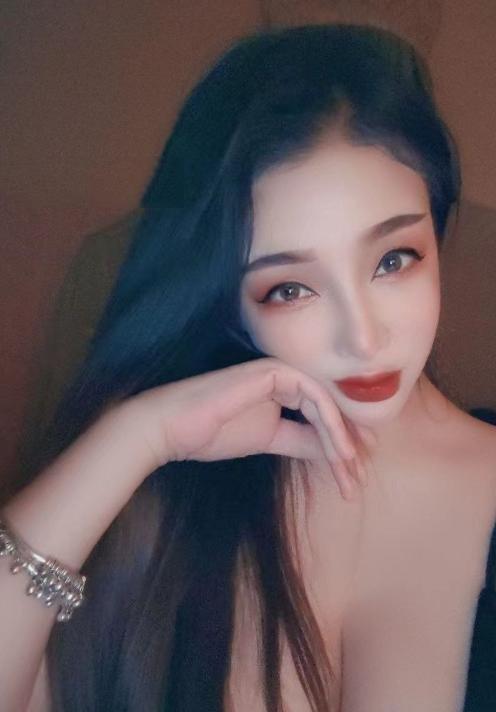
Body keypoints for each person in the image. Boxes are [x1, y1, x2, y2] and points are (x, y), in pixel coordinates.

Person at [1, 23, 495, 712]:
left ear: (436, 237)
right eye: (290, 289)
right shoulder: (170, 495)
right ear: (232, 306)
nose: (363, 337)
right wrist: (135, 439)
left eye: (393, 259)